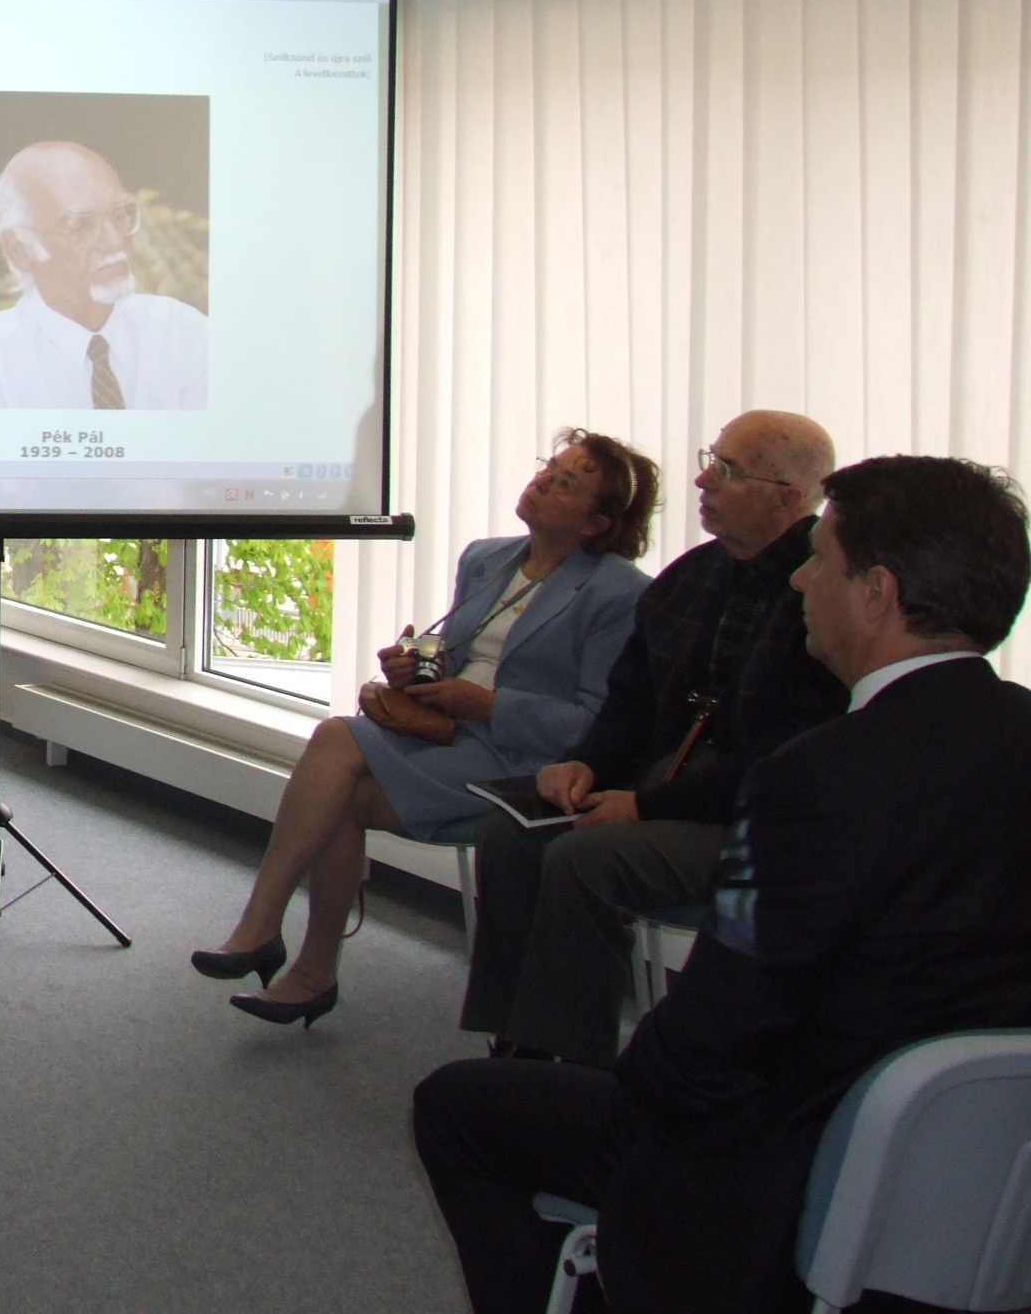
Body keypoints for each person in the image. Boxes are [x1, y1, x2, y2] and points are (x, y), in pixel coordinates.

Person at [414, 454, 1031, 1314]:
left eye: (820, 560)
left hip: (786, 1165)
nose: (801, 580)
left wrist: (631, 1080)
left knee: (457, 1107)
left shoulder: (813, 779)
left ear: (876, 592)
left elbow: (713, 1040)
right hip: (981, 1177)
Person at [192, 430, 659, 1026]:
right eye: (550, 467)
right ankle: (301, 965)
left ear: (597, 523)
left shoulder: (620, 594)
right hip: (449, 735)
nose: (543, 481)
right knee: (337, 782)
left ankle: (275, 942)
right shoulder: (488, 558)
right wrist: (415, 669)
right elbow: (461, 657)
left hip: (522, 762)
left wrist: (489, 706)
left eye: (566, 483)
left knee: (335, 752)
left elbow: (596, 725)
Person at [460, 410, 843, 1065]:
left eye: (726, 470)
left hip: (753, 822)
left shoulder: (824, 596)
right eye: (709, 459)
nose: (701, 479)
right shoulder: (690, 577)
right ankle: (517, 1048)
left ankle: (573, 1072)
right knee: (511, 836)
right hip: (660, 789)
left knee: (586, 858)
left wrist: (642, 805)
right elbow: (629, 704)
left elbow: (784, 762)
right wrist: (585, 763)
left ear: (787, 499)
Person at [0, 141, 205, 409]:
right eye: (80, 226)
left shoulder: (185, 337)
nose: (114, 240)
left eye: (118, 215)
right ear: (20, 250)